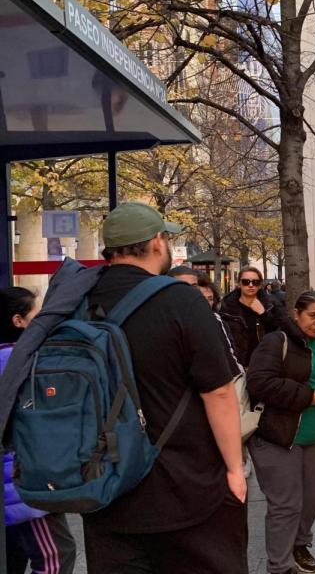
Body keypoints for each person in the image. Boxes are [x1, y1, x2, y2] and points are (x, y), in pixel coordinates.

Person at [80, 202, 247, 574]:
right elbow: (218, 392)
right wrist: (234, 469)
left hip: (105, 489)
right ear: (157, 242)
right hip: (186, 490)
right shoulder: (179, 299)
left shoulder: (78, 299)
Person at [247, 291, 315, 574]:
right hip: (278, 436)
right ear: (297, 314)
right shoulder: (276, 341)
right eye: (312, 315)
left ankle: (299, 543)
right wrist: (307, 397)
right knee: (286, 503)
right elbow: (260, 383)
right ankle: (279, 566)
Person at [1, 287, 77, 574]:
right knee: (55, 557)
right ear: (18, 321)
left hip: (16, 479)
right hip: (23, 483)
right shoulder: (18, 362)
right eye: (37, 315)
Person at [221, 267, 285, 368]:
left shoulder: (272, 304)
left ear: (260, 285)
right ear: (239, 284)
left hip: (264, 362)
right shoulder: (227, 306)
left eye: (255, 282)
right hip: (237, 365)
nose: (251, 285)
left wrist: (263, 313)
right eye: (246, 282)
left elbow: (278, 332)